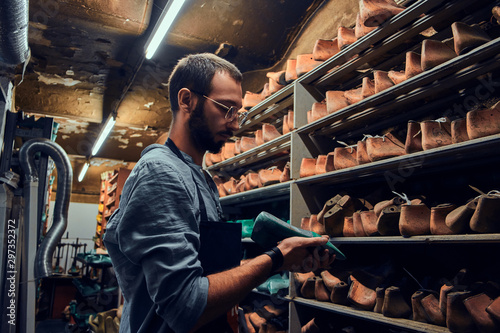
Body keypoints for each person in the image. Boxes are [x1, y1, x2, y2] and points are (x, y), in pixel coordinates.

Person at [103, 53, 335, 333]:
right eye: (226, 109)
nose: (236, 124)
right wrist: (275, 258)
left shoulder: (200, 177)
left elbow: (207, 273)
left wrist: (281, 262)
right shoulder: (160, 173)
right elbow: (185, 305)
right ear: (186, 100)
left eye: (238, 112)